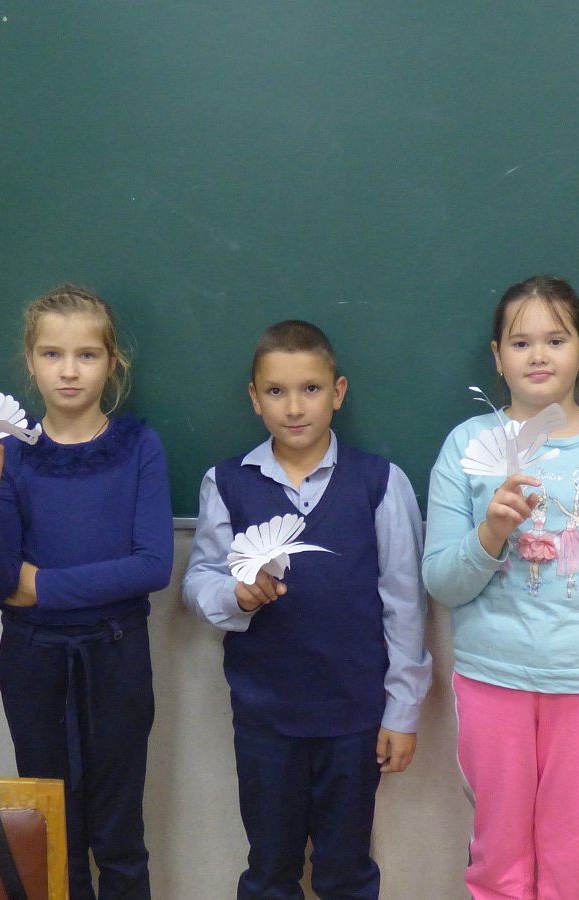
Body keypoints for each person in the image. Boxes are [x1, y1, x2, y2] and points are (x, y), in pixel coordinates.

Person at [422, 275, 579, 900]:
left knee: (574, 864)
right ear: (497, 357)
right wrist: (491, 532)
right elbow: (442, 584)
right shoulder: (467, 447)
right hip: (493, 682)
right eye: (520, 342)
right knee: (498, 862)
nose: (538, 355)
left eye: (556, 340)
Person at [182, 320, 432, 900]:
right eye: (276, 391)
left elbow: (404, 604)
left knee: (346, 871)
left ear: (338, 392)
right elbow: (198, 581)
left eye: (311, 389)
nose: (294, 407)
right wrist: (235, 595)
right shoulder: (226, 483)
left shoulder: (380, 483)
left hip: (354, 718)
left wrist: (403, 711)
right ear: (254, 397)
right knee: (270, 871)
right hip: (265, 717)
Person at [0, 285, 171, 900]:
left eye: (86, 355)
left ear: (112, 362)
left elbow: (152, 565)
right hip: (33, 659)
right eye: (52, 354)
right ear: (29, 362)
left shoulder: (139, 447)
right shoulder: (9, 455)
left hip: (117, 654)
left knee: (119, 833)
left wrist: (43, 585)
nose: (69, 370)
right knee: (51, 833)